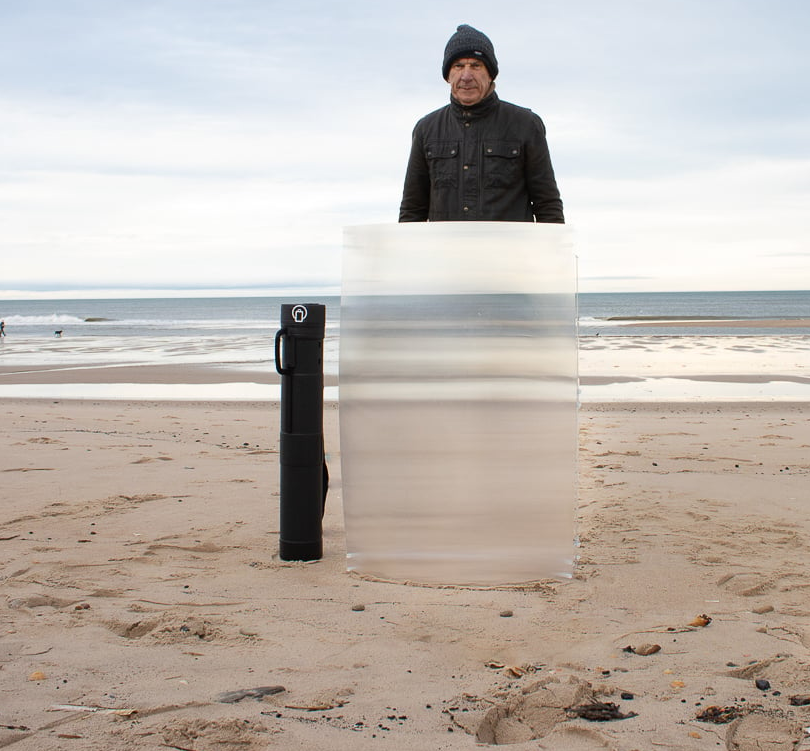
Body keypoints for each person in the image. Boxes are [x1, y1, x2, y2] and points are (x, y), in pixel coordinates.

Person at [399, 24, 564, 224]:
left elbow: (547, 204)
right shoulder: (426, 129)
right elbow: (412, 209)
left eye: (476, 66)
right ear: (448, 75)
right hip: (445, 254)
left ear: (490, 74)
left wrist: (552, 252)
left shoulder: (526, 125)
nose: (466, 76)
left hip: (511, 253)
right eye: (458, 66)